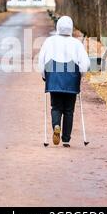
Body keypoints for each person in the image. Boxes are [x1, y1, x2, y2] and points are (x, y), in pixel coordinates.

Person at [38, 16, 90, 147]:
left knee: (56, 107)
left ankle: (56, 125)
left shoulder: (49, 41)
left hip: (54, 78)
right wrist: (80, 75)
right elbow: (85, 63)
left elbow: (41, 60)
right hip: (71, 79)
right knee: (69, 110)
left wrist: (44, 75)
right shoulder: (77, 43)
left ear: (58, 27)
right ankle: (66, 139)